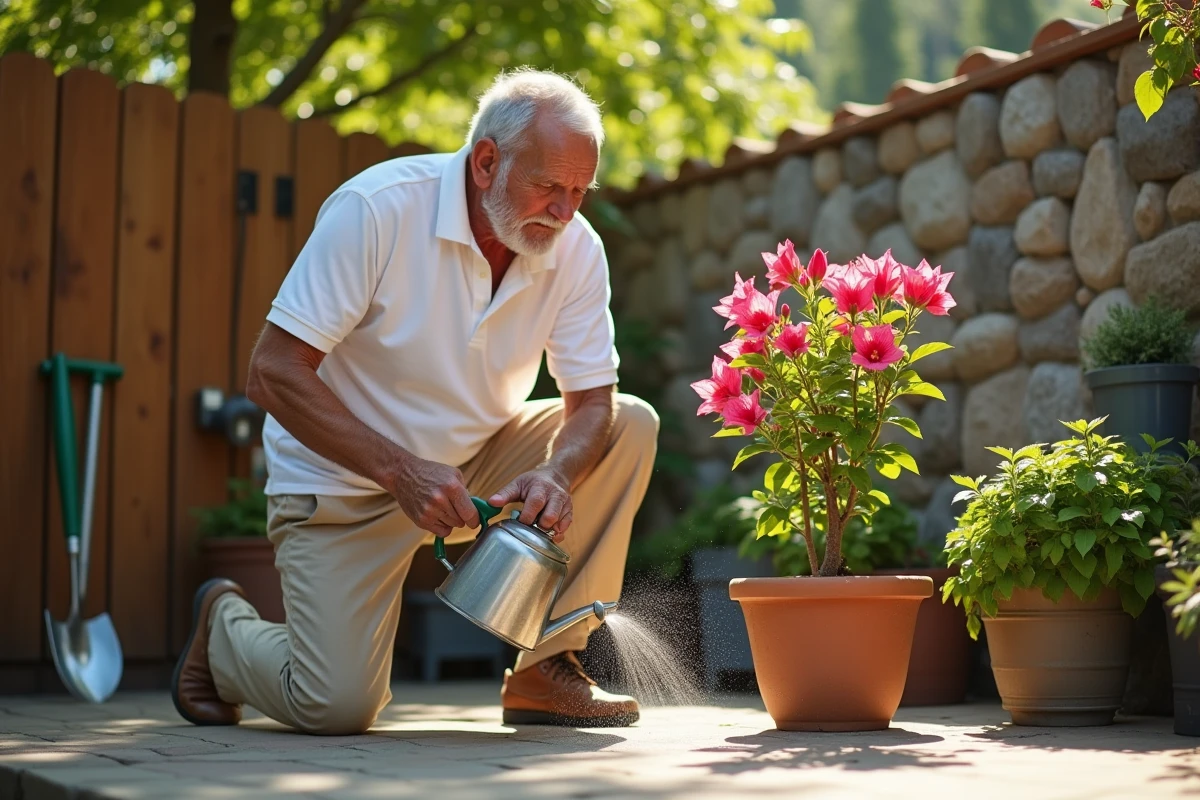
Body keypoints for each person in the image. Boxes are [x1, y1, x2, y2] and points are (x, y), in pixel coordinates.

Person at [170, 69, 659, 735]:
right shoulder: (376, 209)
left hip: (477, 470)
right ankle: (222, 633)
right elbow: (273, 372)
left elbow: (594, 403)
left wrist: (555, 474)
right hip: (343, 483)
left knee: (631, 421)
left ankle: (548, 667)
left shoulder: (576, 249)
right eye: (549, 186)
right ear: (487, 161)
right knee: (335, 706)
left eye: (579, 191)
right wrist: (401, 471)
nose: (566, 210)